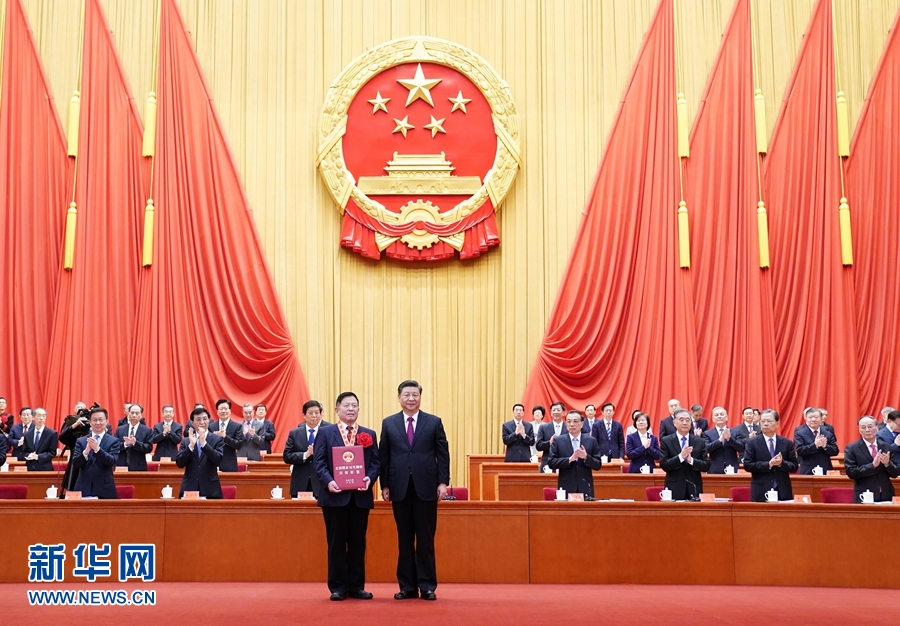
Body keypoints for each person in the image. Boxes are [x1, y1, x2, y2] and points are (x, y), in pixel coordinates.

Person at [379, 380, 450, 602]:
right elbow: (384, 456)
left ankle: (427, 586)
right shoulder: (389, 423)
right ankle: (407, 587)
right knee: (404, 539)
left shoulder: (434, 422)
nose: (411, 398)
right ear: (399, 397)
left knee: (426, 539)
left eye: (415, 394)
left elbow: (443, 454)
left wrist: (442, 482)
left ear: (420, 396)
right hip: (399, 488)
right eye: (407, 395)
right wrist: (384, 485)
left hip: (426, 488)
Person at [315, 392, 380, 601]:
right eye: (346, 405)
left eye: (354, 405)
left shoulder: (368, 434)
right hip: (334, 497)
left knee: (358, 543)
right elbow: (319, 463)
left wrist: (370, 478)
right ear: (337, 410)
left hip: (359, 498)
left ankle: (356, 586)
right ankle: (338, 587)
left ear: (359, 409)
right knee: (336, 543)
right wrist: (329, 481)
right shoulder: (325, 432)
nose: (351, 409)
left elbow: (376, 463)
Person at [742, 409, 798, 502]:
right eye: (763, 421)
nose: (765, 424)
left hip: (782, 489)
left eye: (769, 421)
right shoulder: (752, 442)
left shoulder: (786, 443)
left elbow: (794, 466)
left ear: (777, 423)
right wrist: (769, 464)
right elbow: (748, 465)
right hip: (761, 489)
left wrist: (781, 463)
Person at [844, 416, 900, 503]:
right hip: (864, 494)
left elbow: (895, 473)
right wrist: (872, 466)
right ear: (859, 430)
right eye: (863, 427)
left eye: (870, 426)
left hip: (886, 494)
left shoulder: (886, 446)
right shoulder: (852, 448)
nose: (867, 430)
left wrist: (887, 464)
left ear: (877, 427)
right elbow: (851, 472)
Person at [548, 410, 602, 497]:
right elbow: (551, 463)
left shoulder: (591, 441)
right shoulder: (558, 441)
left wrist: (586, 457)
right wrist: (569, 460)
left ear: (582, 424)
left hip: (585, 485)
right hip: (566, 485)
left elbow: (598, 465)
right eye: (569, 421)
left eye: (575, 421)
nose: (572, 424)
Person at [659, 408, 709, 499]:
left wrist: (691, 460)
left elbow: (706, 465)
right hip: (674, 487)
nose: (685, 423)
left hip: (694, 487)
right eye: (681, 420)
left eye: (687, 420)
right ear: (674, 423)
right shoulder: (666, 441)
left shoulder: (700, 441)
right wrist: (680, 457)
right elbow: (664, 465)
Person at [175, 407, 224, 498]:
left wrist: (204, 443)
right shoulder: (186, 441)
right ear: (192, 422)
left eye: (204, 419)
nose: (202, 422)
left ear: (209, 420)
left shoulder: (217, 439)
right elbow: (180, 463)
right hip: (190, 487)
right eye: (198, 419)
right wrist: (191, 446)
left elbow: (218, 460)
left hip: (210, 488)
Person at [72, 407, 120, 498]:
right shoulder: (81, 441)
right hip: (84, 486)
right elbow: (76, 464)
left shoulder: (114, 441)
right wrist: (86, 452)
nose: (98, 423)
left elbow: (112, 461)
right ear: (90, 422)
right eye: (94, 420)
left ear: (106, 421)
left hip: (105, 488)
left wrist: (97, 450)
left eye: (100, 420)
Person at [284, 400, 326, 498]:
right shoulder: (294, 433)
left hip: (321, 481)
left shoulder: (328, 432)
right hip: (300, 482)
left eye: (317, 413)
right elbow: (287, 456)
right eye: (310, 413)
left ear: (321, 414)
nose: (314, 415)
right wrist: (305, 455)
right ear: (304, 415)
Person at [793, 407, 838, 474]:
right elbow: (800, 451)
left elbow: (835, 451)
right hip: (808, 470)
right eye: (810, 417)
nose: (813, 419)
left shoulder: (827, 433)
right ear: (806, 419)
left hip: (825, 468)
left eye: (816, 417)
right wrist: (815, 445)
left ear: (821, 419)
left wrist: (825, 446)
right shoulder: (800, 433)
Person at [703, 407, 743, 474]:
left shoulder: (735, 432)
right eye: (716, 415)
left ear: (726, 417)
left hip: (731, 467)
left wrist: (729, 439)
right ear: (713, 419)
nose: (719, 416)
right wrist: (719, 440)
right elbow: (706, 449)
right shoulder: (707, 433)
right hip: (714, 468)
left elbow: (740, 448)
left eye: (722, 414)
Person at [115, 404, 154, 471]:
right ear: (128, 414)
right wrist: (125, 444)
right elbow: (114, 446)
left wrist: (135, 443)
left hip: (139, 466)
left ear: (141, 415)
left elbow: (148, 448)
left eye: (137, 413)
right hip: (121, 466)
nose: (134, 415)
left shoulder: (147, 430)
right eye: (132, 413)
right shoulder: (120, 429)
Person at [212, 398, 243, 472]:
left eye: (225, 409)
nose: (223, 411)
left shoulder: (237, 426)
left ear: (230, 411)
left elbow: (238, 445)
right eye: (221, 409)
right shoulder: (211, 426)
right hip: (213, 463)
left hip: (229, 464)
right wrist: (213, 438)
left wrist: (225, 437)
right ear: (217, 412)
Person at [536, 402, 566, 473]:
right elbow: (538, 446)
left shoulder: (569, 428)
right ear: (551, 413)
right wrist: (549, 442)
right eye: (554, 410)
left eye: (558, 410)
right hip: (547, 462)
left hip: (565, 462)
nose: (556, 412)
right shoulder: (543, 427)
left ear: (563, 412)